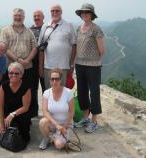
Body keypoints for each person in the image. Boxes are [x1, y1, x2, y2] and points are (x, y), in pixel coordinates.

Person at [0, 8, 38, 118]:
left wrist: (27, 60)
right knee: (10, 94)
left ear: (24, 17)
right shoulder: (5, 30)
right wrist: (18, 60)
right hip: (11, 69)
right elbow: (4, 48)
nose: (18, 17)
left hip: (27, 68)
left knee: (27, 92)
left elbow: (35, 47)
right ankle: (9, 116)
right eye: (16, 15)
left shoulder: (29, 31)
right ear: (13, 16)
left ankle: (27, 116)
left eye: (20, 16)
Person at [74, 3, 105, 133]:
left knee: (94, 92)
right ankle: (85, 118)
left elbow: (102, 50)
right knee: (82, 92)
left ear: (92, 15)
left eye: (87, 12)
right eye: (83, 12)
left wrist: (93, 59)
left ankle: (94, 121)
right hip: (79, 65)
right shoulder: (78, 28)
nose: (84, 14)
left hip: (93, 66)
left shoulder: (96, 29)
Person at [38, 4, 76, 89]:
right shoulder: (45, 26)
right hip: (48, 67)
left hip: (63, 66)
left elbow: (74, 45)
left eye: (57, 11)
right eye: (52, 11)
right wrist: (40, 67)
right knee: (49, 91)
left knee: (62, 92)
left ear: (61, 12)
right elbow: (41, 48)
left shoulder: (68, 25)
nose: (54, 13)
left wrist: (72, 64)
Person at [39, 68, 74, 150]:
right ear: (50, 80)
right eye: (52, 79)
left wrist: (64, 126)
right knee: (42, 122)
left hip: (66, 124)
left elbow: (72, 112)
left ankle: (54, 138)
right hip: (53, 124)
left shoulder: (68, 93)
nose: (54, 81)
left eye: (57, 79)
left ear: (61, 80)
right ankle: (48, 138)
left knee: (58, 145)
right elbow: (45, 111)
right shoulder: (47, 93)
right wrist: (56, 125)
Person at [0, 62, 31, 145]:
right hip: (7, 113)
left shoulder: (26, 87)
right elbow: (0, 106)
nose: (14, 75)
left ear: (21, 75)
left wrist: (12, 115)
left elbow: (25, 107)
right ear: (8, 74)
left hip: (21, 114)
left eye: (17, 73)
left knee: (24, 138)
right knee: (6, 136)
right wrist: (1, 123)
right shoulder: (4, 86)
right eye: (11, 73)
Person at [29, 10, 46, 117]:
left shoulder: (48, 28)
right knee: (33, 88)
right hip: (32, 64)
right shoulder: (30, 30)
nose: (36, 17)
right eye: (34, 16)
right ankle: (33, 111)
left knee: (46, 89)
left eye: (38, 16)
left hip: (46, 63)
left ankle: (47, 111)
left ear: (43, 17)